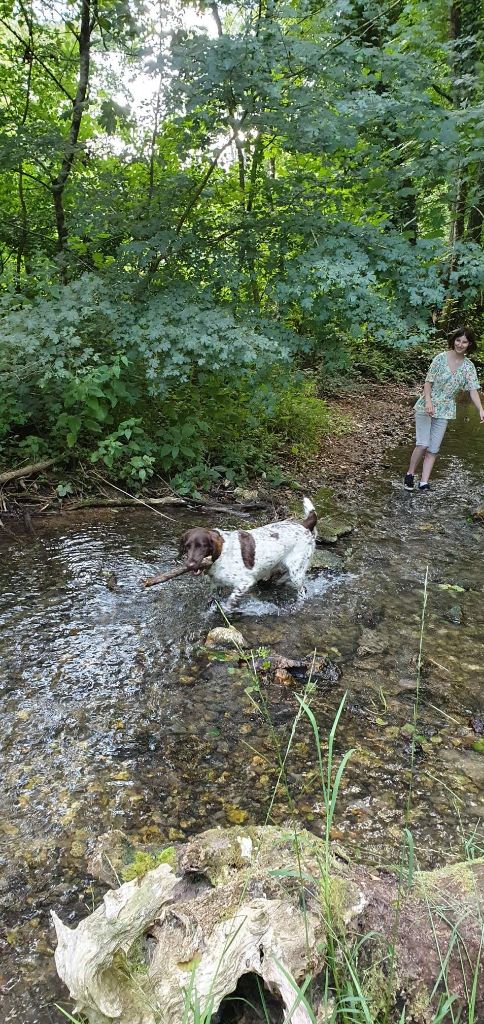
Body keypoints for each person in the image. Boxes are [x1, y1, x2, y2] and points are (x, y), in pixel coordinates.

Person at [404, 327, 484, 491]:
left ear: (469, 344)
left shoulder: (469, 367)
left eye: (464, 342)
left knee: (434, 448)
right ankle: (410, 474)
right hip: (427, 405)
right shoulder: (440, 358)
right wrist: (428, 402)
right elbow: (428, 382)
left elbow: (473, 390)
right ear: (453, 340)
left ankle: (424, 482)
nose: (460, 344)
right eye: (458, 340)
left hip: (446, 408)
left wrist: (481, 409)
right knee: (423, 444)